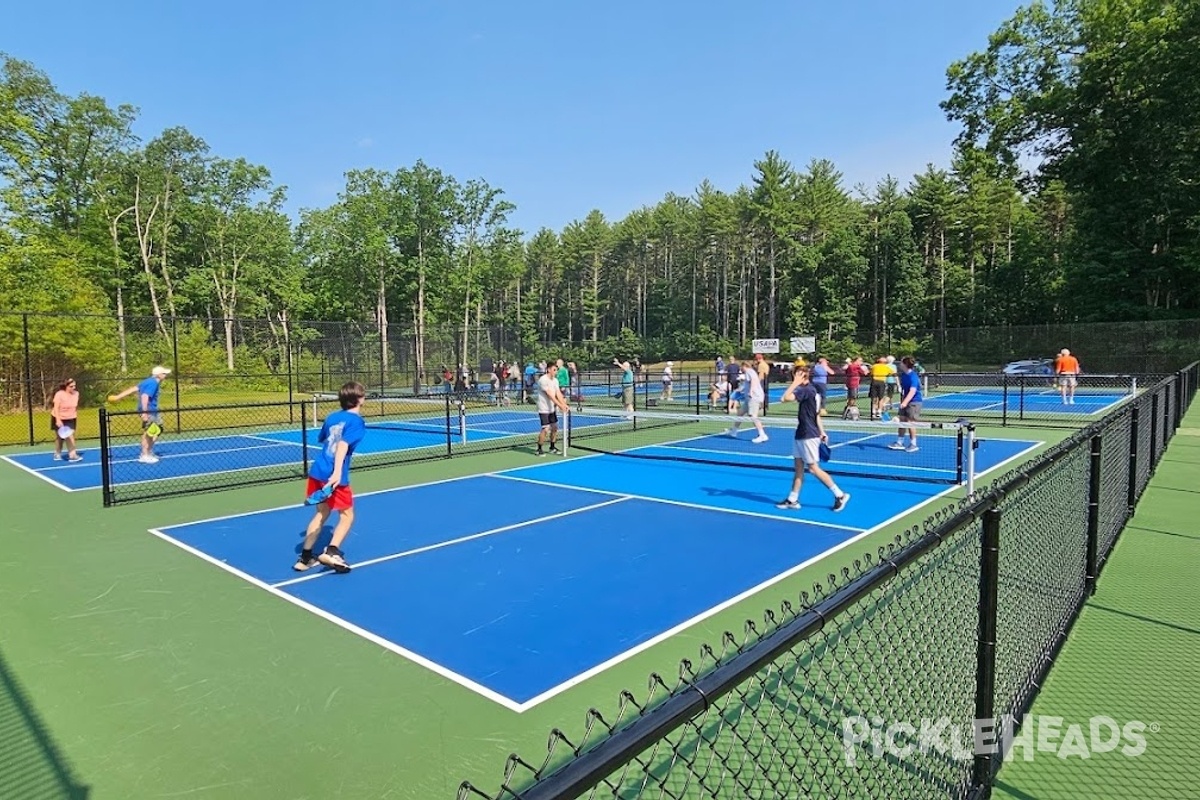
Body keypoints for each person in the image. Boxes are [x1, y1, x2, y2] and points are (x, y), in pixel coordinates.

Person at [294, 381, 366, 574]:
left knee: (322, 513)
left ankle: (306, 558)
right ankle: (332, 551)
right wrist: (336, 473)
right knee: (347, 515)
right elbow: (342, 445)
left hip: (318, 470)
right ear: (359, 399)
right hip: (335, 475)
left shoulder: (332, 417)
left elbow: (325, 439)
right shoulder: (357, 422)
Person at [777, 364, 850, 512]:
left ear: (806, 376)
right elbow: (816, 415)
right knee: (798, 469)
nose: (798, 376)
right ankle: (793, 499)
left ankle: (840, 494)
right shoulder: (811, 391)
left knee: (813, 468)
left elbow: (784, 398)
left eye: (800, 374)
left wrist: (795, 383)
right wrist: (822, 432)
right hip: (802, 433)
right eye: (796, 374)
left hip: (808, 435)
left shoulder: (807, 390)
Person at [108, 365, 171, 464]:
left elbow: (134, 388)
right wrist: (144, 412)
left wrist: (118, 397)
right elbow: (145, 396)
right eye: (164, 373)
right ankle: (145, 454)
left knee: (158, 429)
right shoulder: (153, 383)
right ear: (158, 375)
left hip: (153, 410)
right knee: (149, 432)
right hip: (148, 410)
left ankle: (148, 451)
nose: (166, 375)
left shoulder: (148, 381)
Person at [727, 360, 769, 443]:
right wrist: (740, 390)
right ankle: (734, 431)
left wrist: (751, 391)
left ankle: (762, 435)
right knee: (740, 413)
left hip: (753, 397)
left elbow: (753, 380)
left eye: (741, 368)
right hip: (748, 398)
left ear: (744, 366)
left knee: (753, 416)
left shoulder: (749, 371)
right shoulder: (749, 373)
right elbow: (748, 384)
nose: (740, 369)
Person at [535, 363, 571, 456]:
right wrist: (560, 405)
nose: (556, 372)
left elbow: (558, 393)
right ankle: (539, 448)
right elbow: (550, 395)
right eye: (554, 370)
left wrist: (564, 404)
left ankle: (552, 447)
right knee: (546, 429)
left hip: (551, 408)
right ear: (548, 370)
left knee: (554, 427)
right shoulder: (543, 380)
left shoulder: (555, 380)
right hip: (543, 408)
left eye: (557, 370)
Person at [889, 357, 923, 453]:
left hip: (914, 402)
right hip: (905, 400)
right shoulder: (904, 375)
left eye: (901, 363)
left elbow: (912, 391)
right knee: (902, 421)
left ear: (905, 364)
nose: (899, 364)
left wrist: (905, 402)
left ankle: (913, 444)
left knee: (910, 422)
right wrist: (902, 399)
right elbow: (905, 389)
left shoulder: (913, 377)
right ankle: (900, 442)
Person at [51, 378, 82, 461]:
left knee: (70, 435)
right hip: (58, 417)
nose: (73, 388)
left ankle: (72, 455)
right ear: (66, 386)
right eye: (71, 386)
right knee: (59, 438)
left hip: (71, 418)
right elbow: (56, 407)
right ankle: (57, 453)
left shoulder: (76, 394)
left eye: (74, 386)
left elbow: (74, 406)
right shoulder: (59, 394)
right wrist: (58, 420)